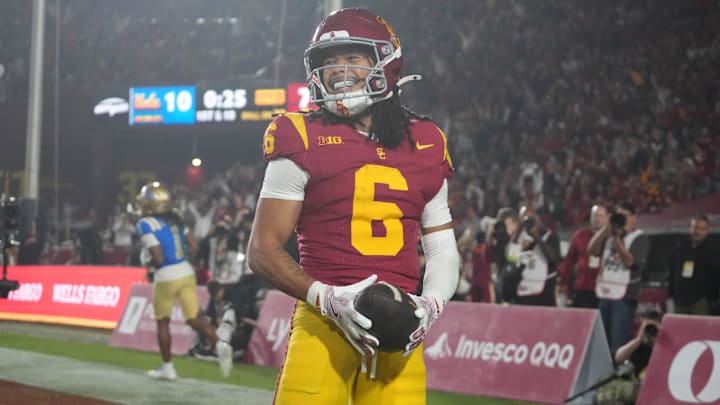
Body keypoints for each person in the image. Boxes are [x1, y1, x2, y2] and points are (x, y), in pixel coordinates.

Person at [247, 8, 459, 404]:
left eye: (352, 58)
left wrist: (430, 306)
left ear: (386, 63)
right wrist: (327, 298)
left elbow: (443, 248)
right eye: (328, 61)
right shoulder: (299, 133)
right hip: (323, 322)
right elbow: (261, 251)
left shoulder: (427, 139)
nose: (337, 70)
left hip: (399, 326)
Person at [135, 181, 233, 380]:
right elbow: (194, 246)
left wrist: (148, 258)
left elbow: (159, 257)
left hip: (166, 276)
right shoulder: (176, 219)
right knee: (195, 319)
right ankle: (220, 344)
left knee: (163, 322)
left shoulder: (144, 224)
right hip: (186, 272)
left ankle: (167, 368)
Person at [589, 200, 650, 355]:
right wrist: (605, 229)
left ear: (634, 218)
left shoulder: (639, 238)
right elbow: (591, 250)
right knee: (600, 341)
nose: (621, 218)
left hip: (624, 296)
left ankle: (617, 372)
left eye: (625, 215)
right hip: (605, 294)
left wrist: (617, 237)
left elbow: (630, 262)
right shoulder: (608, 235)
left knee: (618, 341)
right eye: (619, 215)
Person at [557, 204, 608, 308]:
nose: (597, 219)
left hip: (605, 289)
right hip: (582, 287)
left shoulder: (612, 238)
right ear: (590, 217)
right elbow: (569, 261)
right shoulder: (580, 235)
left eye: (600, 216)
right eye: (595, 215)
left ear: (607, 218)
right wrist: (562, 282)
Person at [667, 214, 719, 315]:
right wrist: (672, 292)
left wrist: (712, 298)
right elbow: (671, 270)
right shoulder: (679, 247)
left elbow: (716, 276)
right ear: (690, 228)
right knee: (678, 329)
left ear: (706, 231)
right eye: (695, 227)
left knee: (700, 330)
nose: (698, 231)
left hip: (701, 301)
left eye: (702, 229)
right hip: (679, 301)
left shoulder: (713, 250)